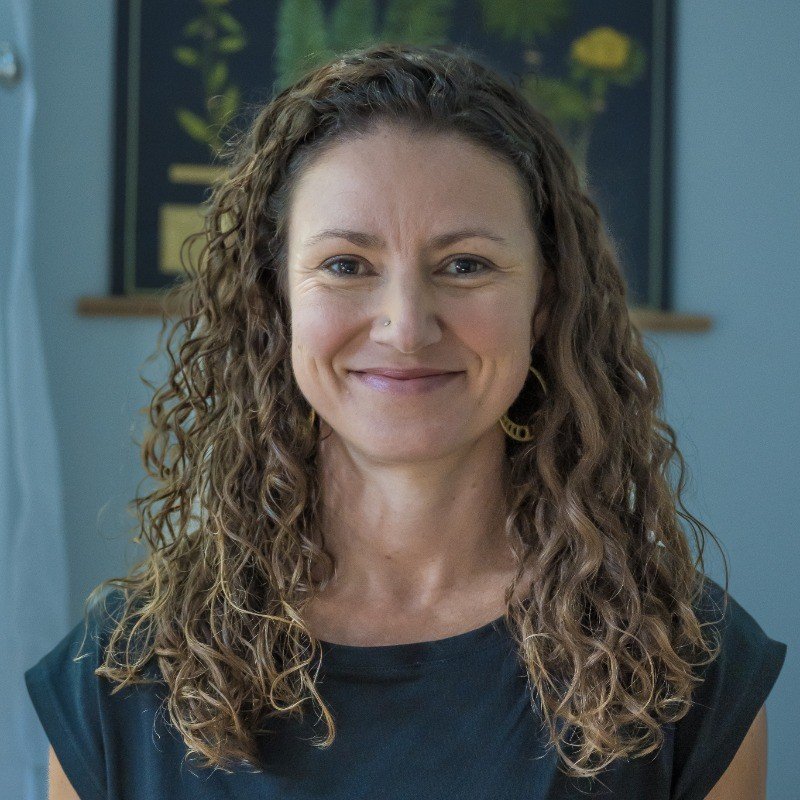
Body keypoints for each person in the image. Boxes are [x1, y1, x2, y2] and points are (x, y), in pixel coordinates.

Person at [25, 42, 786, 800]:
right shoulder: (121, 676)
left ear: (544, 300)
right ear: (276, 300)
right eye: (346, 265)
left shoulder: (685, 663)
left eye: (465, 265)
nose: (407, 327)